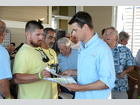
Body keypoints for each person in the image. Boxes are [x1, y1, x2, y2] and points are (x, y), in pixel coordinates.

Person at [60, 11, 115, 99]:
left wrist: (80, 88)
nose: (73, 34)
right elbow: (92, 71)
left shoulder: (102, 49)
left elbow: (107, 82)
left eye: (75, 30)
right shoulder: (82, 47)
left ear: (85, 27)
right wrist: (73, 72)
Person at [12, 20, 57, 99]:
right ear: (27, 34)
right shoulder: (23, 53)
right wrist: (39, 75)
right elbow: (17, 79)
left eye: (42, 34)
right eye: (37, 35)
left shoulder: (39, 49)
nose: (41, 38)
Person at [103, 26, 136, 99]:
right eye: (106, 34)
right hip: (104, 88)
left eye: (110, 34)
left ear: (116, 37)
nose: (107, 36)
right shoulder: (101, 50)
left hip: (121, 87)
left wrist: (125, 71)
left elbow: (131, 65)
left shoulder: (124, 49)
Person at [41, 27, 58, 98]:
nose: (53, 41)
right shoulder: (37, 51)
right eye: (50, 37)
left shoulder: (53, 52)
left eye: (54, 38)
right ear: (43, 37)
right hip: (42, 91)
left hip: (53, 91)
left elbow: (55, 70)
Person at [0, 20, 14, 99]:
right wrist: (9, 98)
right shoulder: (2, 52)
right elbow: (2, 82)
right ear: (3, 33)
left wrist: (7, 54)